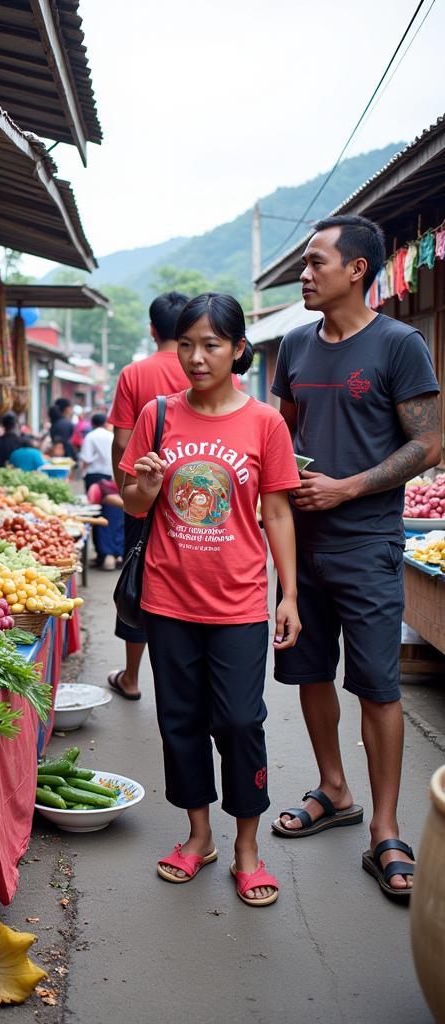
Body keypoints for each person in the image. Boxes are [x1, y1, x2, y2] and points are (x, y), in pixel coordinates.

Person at [270, 214, 441, 901]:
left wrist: (348, 486)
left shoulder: (400, 344)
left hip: (369, 543)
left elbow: (429, 446)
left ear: (358, 270)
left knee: (377, 685)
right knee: (309, 670)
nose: (305, 274)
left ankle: (386, 830)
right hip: (299, 551)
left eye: (316, 263)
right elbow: (281, 434)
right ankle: (334, 789)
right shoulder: (293, 347)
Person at [121, 292, 301, 908]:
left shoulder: (264, 423)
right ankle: (198, 837)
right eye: (187, 344)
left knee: (241, 722)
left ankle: (247, 848)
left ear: (238, 350)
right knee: (181, 722)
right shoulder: (157, 414)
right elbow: (135, 505)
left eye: (212, 345)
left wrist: (290, 594)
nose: (196, 357)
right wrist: (143, 488)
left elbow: (276, 510)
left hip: (240, 602)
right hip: (169, 597)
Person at [106, 291, 191, 699]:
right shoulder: (216, 366)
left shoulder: (134, 373)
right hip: (196, 496)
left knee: (137, 577)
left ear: (153, 329)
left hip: (144, 491)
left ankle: (133, 677)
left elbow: (123, 440)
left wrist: (128, 489)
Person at [79, 412, 119, 568]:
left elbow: (86, 459)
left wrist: (82, 474)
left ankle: (103, 554)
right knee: (112, 515)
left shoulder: (90, 437)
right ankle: (115, 554)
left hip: (94, 479)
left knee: (94, 515)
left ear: (93, 423)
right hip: (111, 478)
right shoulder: (111, 436)